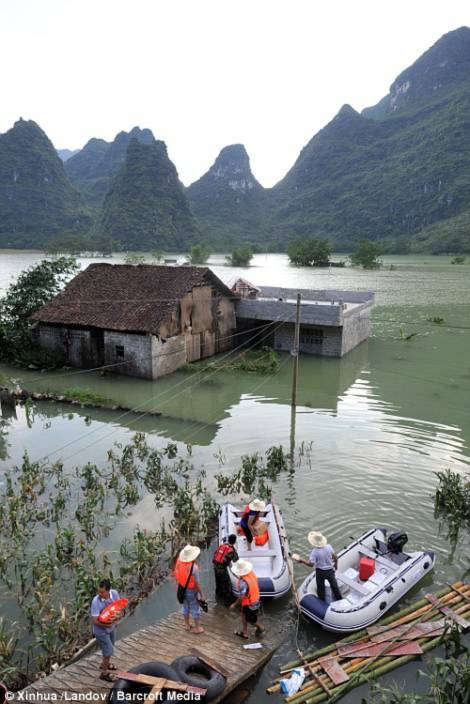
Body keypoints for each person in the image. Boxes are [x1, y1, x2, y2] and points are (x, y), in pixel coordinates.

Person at [295, 531, 342, 602]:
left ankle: (322, 601)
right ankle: (340, 599)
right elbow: (335, 557)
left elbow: (311, 564)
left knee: (320, 588)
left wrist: (301, 560)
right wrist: (336, 564)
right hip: (330, 570)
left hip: (320, 572)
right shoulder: (329, 547)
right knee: (334, 586)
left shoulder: (314, 552)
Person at [90, 579, 121, 681]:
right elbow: (95, 621)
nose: (100, 594)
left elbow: (118, 607)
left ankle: (105, 664)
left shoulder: (114, 594)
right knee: (108, 650)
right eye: (99, 591)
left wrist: (116, 619)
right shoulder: (95, 601)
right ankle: (104, 673)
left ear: (108, 590)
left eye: (102, 592)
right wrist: (108, 625)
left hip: (111, 627)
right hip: (101, 631)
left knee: (110, 646)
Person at [174, 544, 206, 634]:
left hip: (182, 588)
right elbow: (197, 584)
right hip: (191, 590)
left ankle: (187, 625)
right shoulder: (194, 568)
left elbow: (176, 573)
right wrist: (201, 595)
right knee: (195, 608)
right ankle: (198, 628)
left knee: (185, 607)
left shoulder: (179, 561)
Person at [230, 559, 265, 639]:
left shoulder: (243, 583)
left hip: (250, 603)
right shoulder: (251, 573)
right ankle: (245, 633)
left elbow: (242, 596)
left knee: (251, 620)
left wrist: (234, 604)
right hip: (254, 598)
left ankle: (260, 628)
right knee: (243, 615)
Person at [213, 534, 238, 605]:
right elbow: (235, 560)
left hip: (215, 567)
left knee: (218, 583)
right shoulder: (232, 550)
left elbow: (216, 553)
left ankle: (218, 597)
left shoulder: (222, 546)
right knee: (228, 586)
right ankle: (228, 602)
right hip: (222, 569)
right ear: (234, 542)